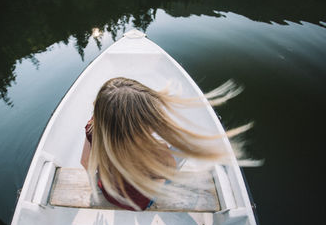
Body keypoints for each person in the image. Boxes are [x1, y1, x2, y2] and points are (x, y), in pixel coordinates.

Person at [80, 77, 249, 211]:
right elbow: (164, 176)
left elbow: (85, 162)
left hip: (107, 192)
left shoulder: (92, 128)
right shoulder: (155, 150)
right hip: (139, 204)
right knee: (182, 148)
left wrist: (104, 181)